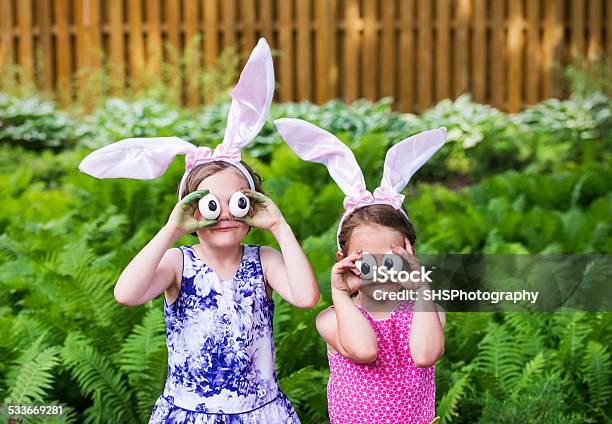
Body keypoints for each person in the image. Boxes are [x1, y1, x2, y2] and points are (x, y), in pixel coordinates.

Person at [79, 39, 319, 423]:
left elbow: (306, 297)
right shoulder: (178, 263)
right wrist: (171, 231)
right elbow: (126, 294)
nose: (224, 215)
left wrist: (279, 226)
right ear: (191, 210)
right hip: (190, 413)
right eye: (210, 205)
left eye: (238, 202)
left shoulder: (265, 261)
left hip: (260, 413)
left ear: (252, 204)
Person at [275, 118, 447, 424]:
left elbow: (424, 355)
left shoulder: (427, 313)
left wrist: (421, 289)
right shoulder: (332, 320)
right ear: (344, 259)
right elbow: (365, 350)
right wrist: (341, 292)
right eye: (367, 261)